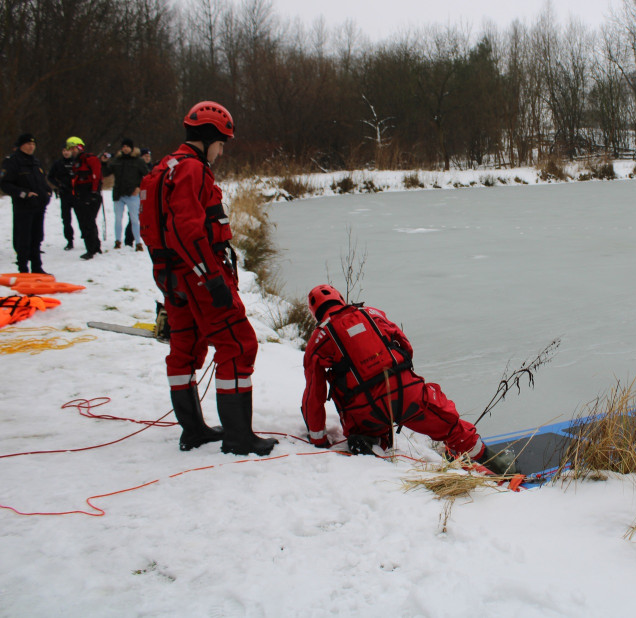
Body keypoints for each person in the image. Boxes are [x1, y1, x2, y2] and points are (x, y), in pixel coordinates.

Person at [139, 100, 277, 456]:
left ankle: (194, 430)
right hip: (198, 275)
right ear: (209, 137)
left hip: (172, 276)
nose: (222, 150)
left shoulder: (162, 170)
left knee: (185, 347)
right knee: (239, 344)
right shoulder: (192, 170)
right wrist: (211, 278)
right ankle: (238, 438)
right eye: (222, 143)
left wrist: (170, 275)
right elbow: (186, 229)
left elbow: (156, 229)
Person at [301, 284, 516, 474]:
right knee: (450, 424)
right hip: (406, 393)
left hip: (363, 410)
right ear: (340, 299)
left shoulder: (317, 342)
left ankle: (369, 444)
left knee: (363, 429)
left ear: (315, 314)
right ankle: (497, 463)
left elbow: (314, 395)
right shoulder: (372, 313)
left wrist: (318, 440)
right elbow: (405, 344)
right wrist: (403, 379)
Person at [0, 134, 51, 273]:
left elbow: (42, 181)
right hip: (23, 207)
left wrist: (47, 192)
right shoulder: (12, 162)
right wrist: (24, 193)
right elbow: (5, 184)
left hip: (39, 206)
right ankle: (23, 268)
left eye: (33, 144)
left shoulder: (35, 161)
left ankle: (37, 267)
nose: (31, 147)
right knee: (24, 239)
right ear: (21, 145)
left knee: (37, 237)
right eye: (28, 144)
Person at [103, 138, 148, 252]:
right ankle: (118, 241)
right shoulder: (117, 160)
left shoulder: (138, 161)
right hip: (118, 194)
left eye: (127, 147)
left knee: (134, 219)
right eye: (123, 147)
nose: (125, 149)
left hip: (132, 194)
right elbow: (106, 173)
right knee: (118, 219)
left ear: (132, 148)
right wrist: (103, 163)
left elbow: (147, 176)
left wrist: (139, 187)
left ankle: (138, 242)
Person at [66, 136, 103, 260]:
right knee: (86, 222)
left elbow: (97, 177)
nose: (72, 151)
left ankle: (91, 249)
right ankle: (95, 246)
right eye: (70, 149)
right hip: (80, 196)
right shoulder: (76, 162)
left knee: (88, 223)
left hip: (90, 196)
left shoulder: (90, 159)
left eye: (73, 148)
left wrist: (94, 193)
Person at [47, 144, 77, 250]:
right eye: (64, 150)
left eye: (68, 150)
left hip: (77, 194)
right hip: (65, 194)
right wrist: (59, 185)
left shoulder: (76, 162)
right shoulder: (58, 163)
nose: (66, 152)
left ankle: (88, 238)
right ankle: (70, 240)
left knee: (83, 218)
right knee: (66, 219)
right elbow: (50, 177)